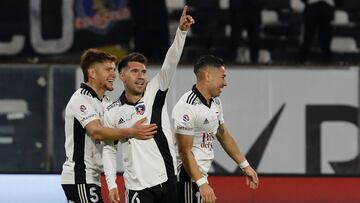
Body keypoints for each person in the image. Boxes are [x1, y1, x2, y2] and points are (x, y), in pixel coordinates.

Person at [102, 6, 194, 203]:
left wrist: (181, 32)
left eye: (143, 72)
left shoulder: (155, 91)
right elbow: (109, 149)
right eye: (135, 71)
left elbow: (170, 62)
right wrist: (111, 184)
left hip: (167, 180)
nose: (141, 76)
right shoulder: (112, 111)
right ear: (122, 76)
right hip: (137, 187)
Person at [60, 48, 158, 203]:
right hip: (79, 176)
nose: (113, 74)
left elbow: (111, 142)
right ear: (92, 73)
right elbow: (97, 132)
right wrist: (131, 132)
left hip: (92, 177)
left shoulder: (106, 103)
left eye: (113, 69)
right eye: (108, 70)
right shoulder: (80, 99)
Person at [172, 55, 259, 203]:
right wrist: (201, 183)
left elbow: (223, 134)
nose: (225, 83)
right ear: (208, 76)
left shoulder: (215, 102)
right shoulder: (187, 107)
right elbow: (184, 152)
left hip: (200, 177)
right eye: (222, 77)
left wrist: (245, 165)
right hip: (187, 179)